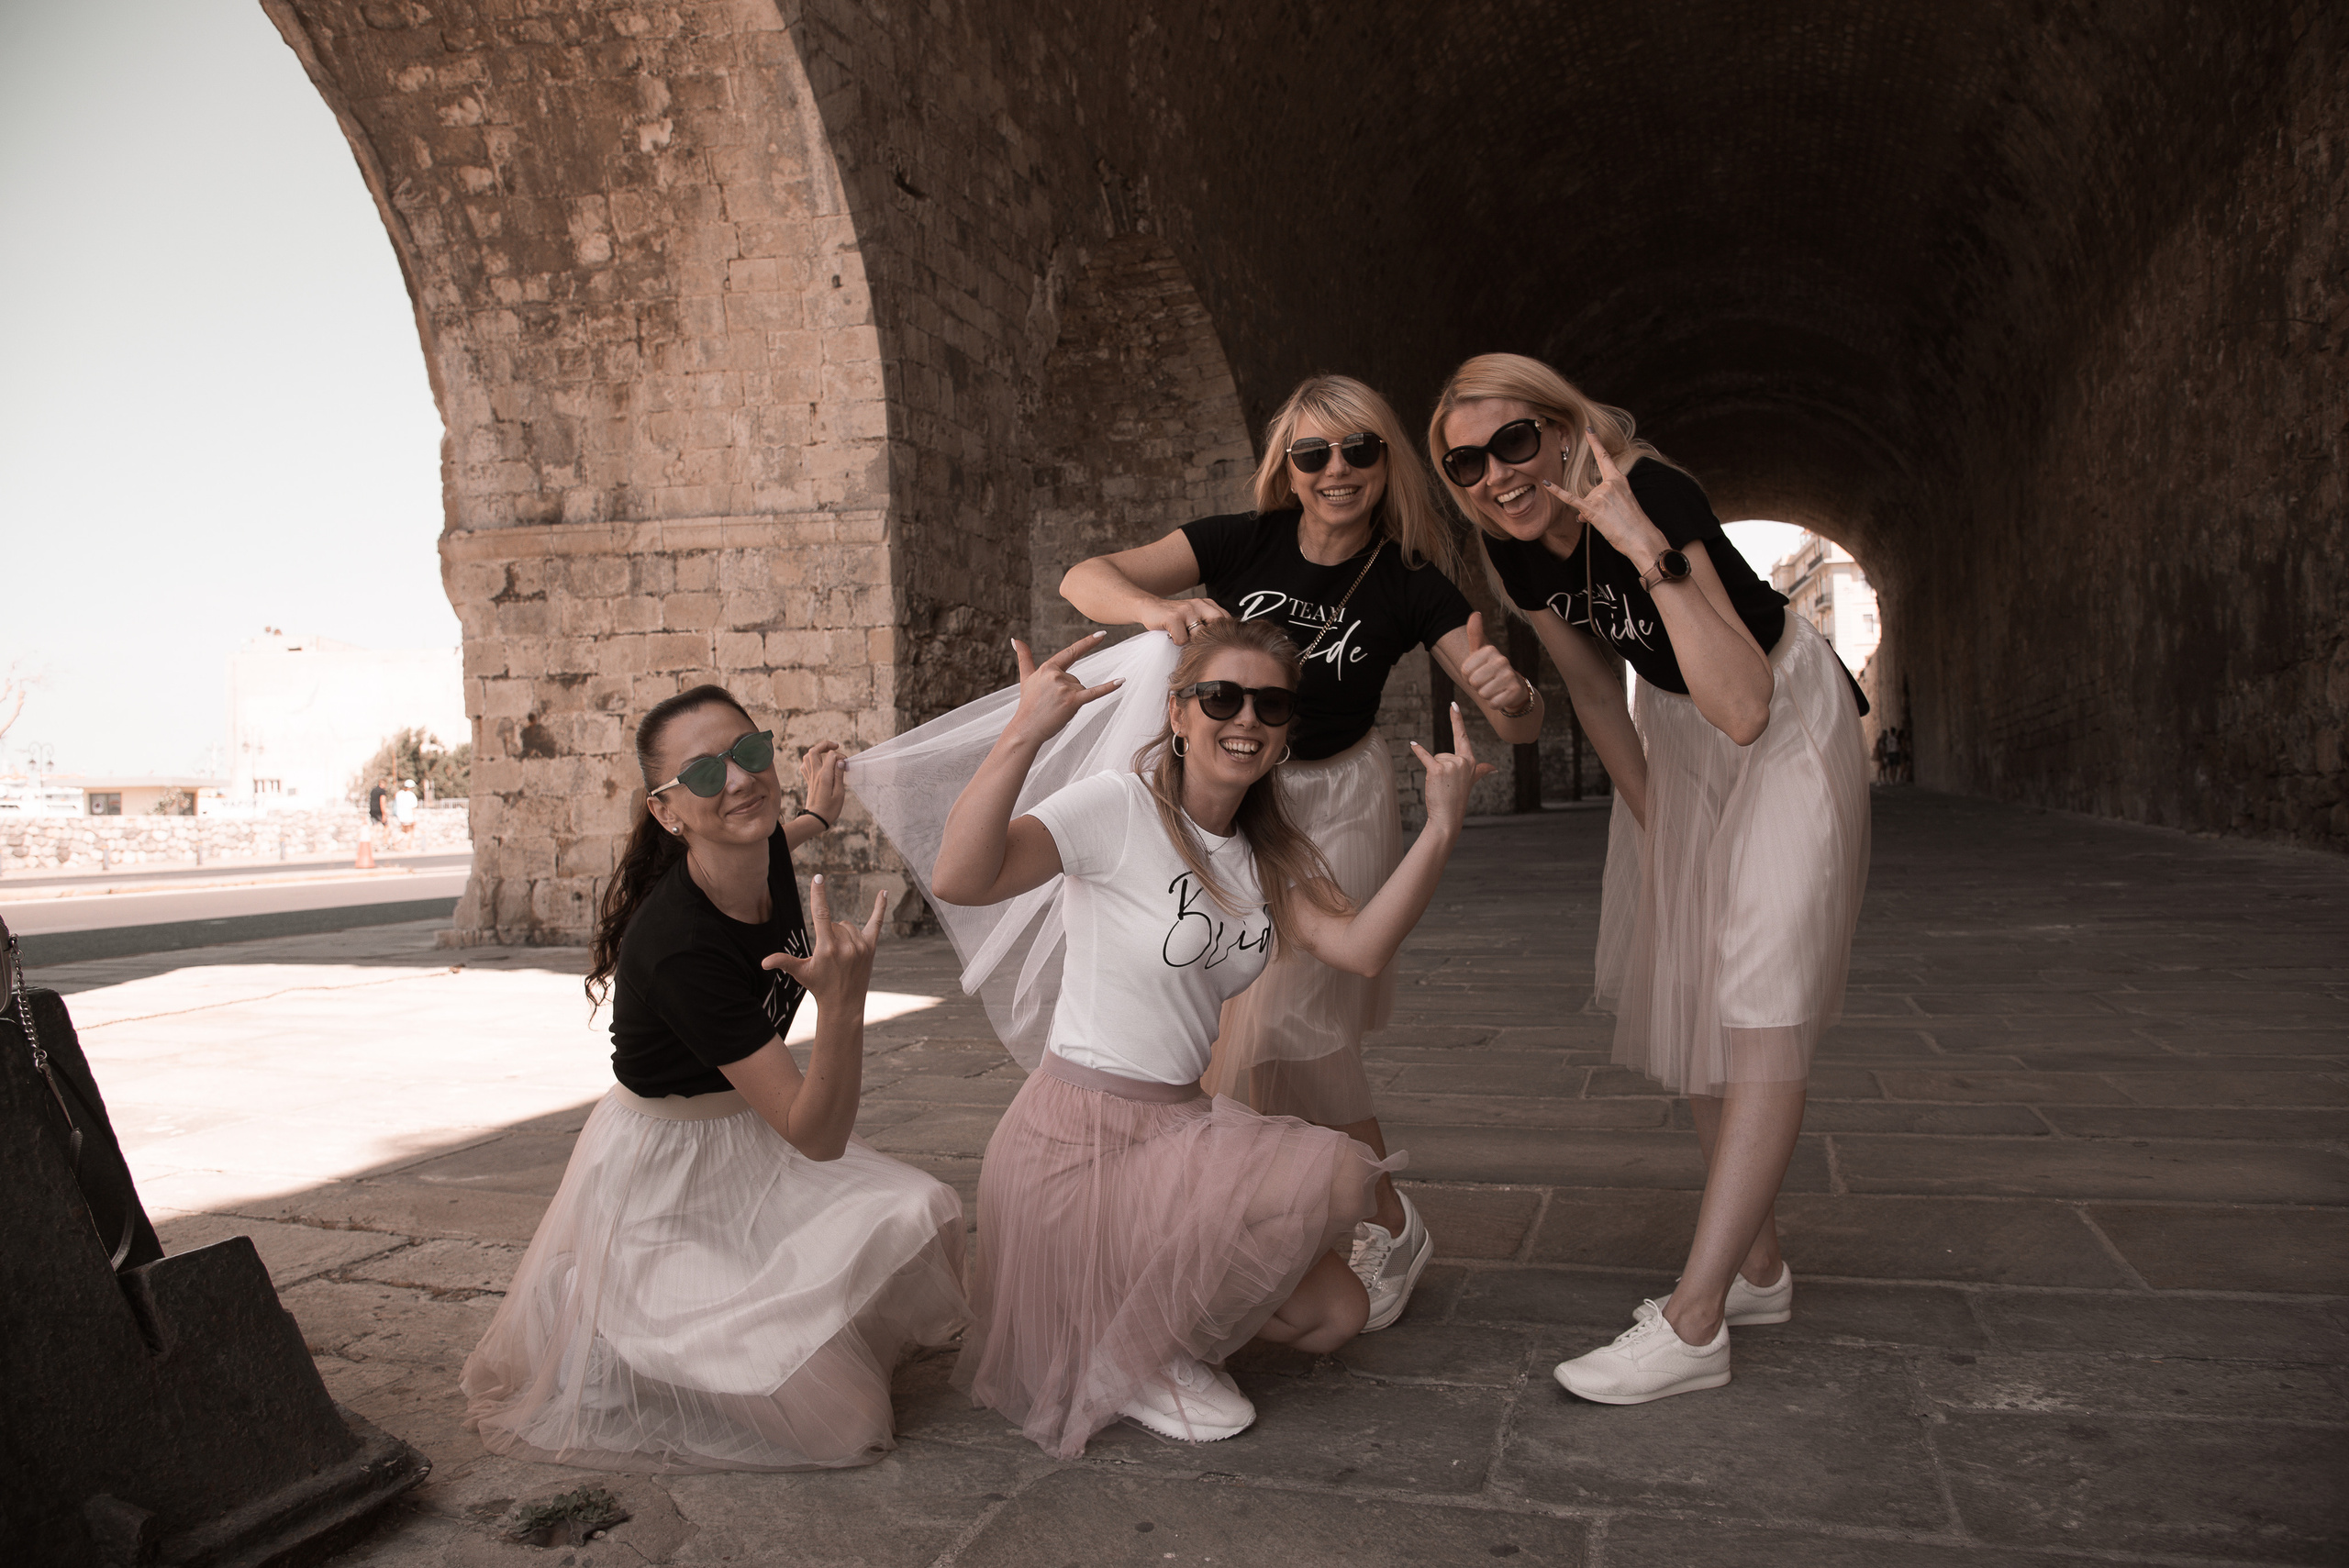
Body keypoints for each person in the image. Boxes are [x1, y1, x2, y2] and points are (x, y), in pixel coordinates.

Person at [931, 619, 1493, 1458]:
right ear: (1180, 712)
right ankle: (1130, 1350)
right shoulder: (1118, 808)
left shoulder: (1268, 857)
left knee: (1334, 1315)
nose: (1246, 719)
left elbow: (1362, 946)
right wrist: (1024, 732)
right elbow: (961, 877)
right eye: (1221, 696)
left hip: (1175, 1129)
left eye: (1270, 704)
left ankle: (1140, 1327)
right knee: (1341, 1173)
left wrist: (1441, 827)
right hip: (1075, 1143)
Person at [1429, 353, 1871, 1404]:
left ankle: (1695, 1319)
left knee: (1759, 1000)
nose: (1494, 475)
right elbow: (1591, 692)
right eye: (1464, 463)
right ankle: (1756, 1267)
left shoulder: (1653, 496)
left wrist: (1645, 551)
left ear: (1562, 430)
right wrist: (1660, 827)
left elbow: (1746, 703)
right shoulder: (1522, 555)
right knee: (1703, 996)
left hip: (1774, 713)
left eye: (1512, 442)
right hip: (1678, 741)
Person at [1058, 373, 1532, 1328]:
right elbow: (1084, 576)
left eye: (1358, 449)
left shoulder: (1407, 578)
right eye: (1313, 453)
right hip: (1237, 792)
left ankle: (1382, 1216)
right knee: (1240, 1025)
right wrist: (1157, 612)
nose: (1337, 470)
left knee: (1288, 1022)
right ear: (1288, 466)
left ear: (1384, 460)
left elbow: (1513, 724)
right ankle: (1294, 1214)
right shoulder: (1243, 539)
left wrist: (1503, 691)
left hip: (1338, 803)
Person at [461, 686, 967, 1471]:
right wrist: (842, 1004)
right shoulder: (678, 946)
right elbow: (817, 1134)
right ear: (668, 813)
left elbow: (777, 834)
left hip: (750, 1145)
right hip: (665, 1182)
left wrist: (820, 815)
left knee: (919, 1211)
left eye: (750, 753)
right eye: (703, 775)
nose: (738, 781)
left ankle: (727, 1326)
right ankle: (598, 1312)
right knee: (846, 1424)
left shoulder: (753, 843)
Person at [392, 778, 418, 848]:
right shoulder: (411, 795)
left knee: (403, 830)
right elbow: (413, 808)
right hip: (409, 816)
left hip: (400, 816)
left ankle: (396, 842)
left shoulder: (399, 793)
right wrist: (414, 818)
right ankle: (407, 845)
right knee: (409, 831)